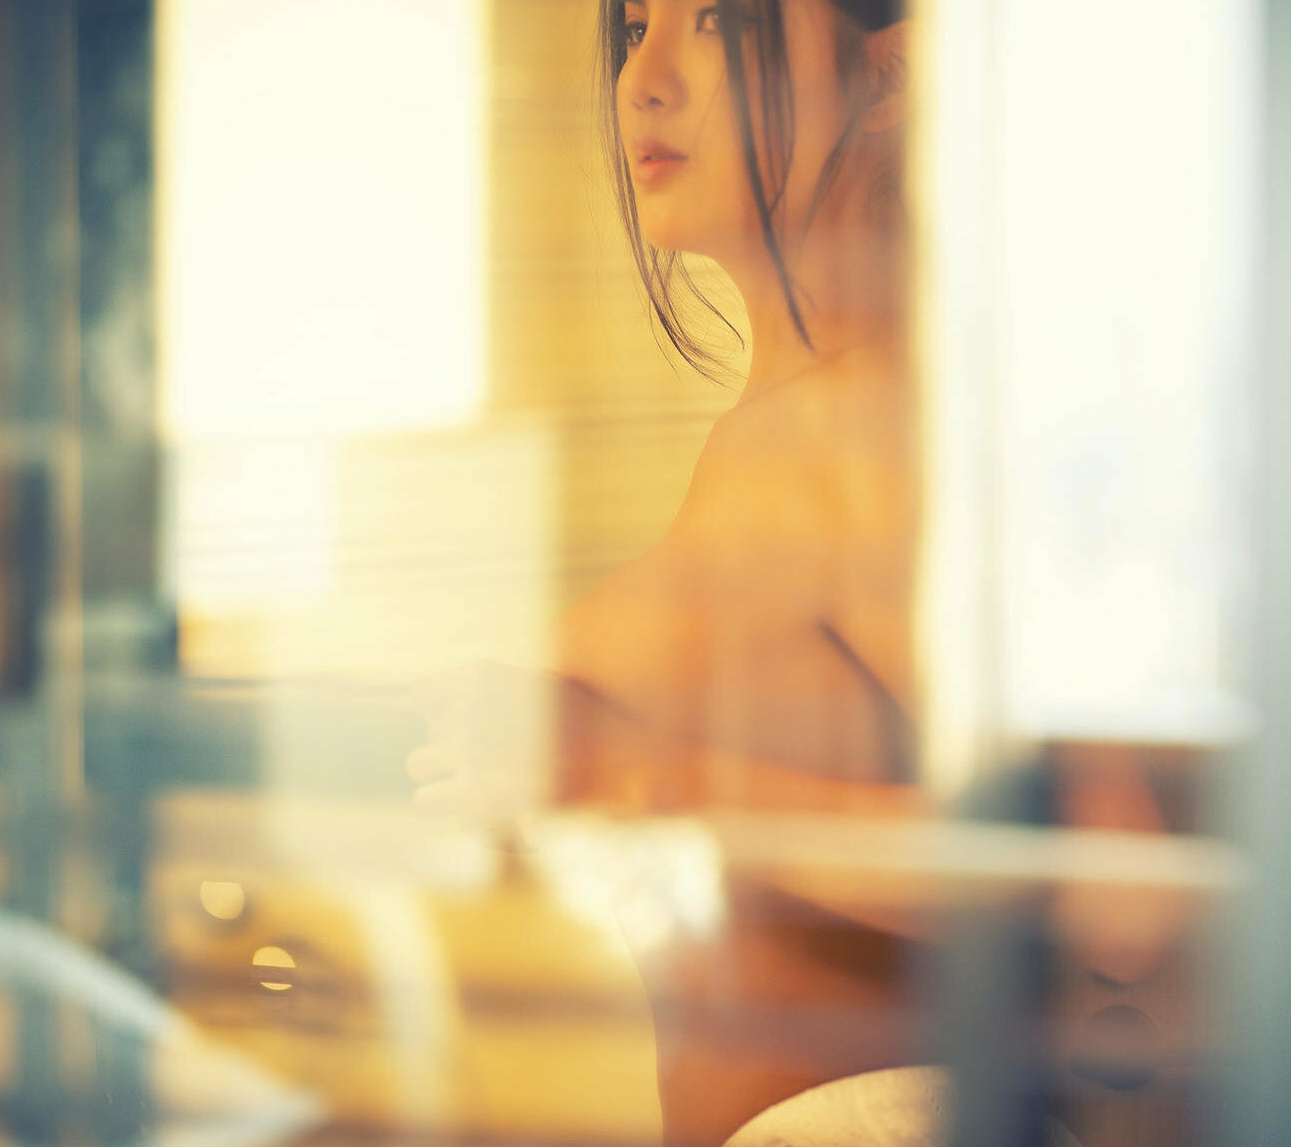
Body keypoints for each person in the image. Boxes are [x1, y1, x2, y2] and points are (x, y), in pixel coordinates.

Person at [407, 2, 1190, 1141]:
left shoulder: (864, 422)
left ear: (892, 72)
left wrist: (636, 772)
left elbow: (1122, 892)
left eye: (713, 20)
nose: (645, 81)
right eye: (634, 28)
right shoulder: (788, 426)